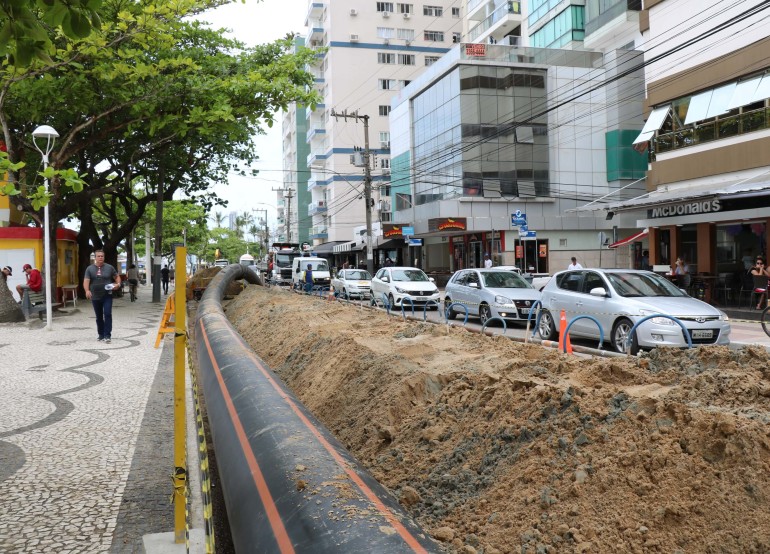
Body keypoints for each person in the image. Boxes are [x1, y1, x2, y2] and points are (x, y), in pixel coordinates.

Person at [83, 250, 120, 343]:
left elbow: (117, 277)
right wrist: (87, 290)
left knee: (107, 314)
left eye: (102, 256)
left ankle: (107, 335)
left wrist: (118, 284)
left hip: (107, 294)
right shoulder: (89, 269)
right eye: (98, 256)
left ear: (104, 257)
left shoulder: (109, 267)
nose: (100, 258)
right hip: (95, 296)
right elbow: (86, 281)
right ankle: (101, 334)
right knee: (99, 316)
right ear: (95, 257)